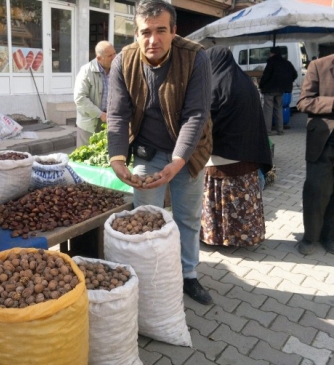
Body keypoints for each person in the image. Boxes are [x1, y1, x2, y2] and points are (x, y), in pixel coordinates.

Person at [107, 0, 213, 305]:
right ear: (136, 33)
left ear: (174, 31)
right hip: (147, 152)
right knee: (146, 219)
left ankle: (188, 276)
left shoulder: (195, 57)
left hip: (189, 154)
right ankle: (149, 276)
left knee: (187, 218)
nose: (153, 39)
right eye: (146, 32)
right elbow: (117, 114)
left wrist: (178, 161)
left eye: (161, 31)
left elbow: (196, 115)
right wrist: (117, 158)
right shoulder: (123, 61)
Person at [201, 46, 273, 247]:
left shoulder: (214, 85)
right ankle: (243, 237)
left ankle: (216, 237)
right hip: (248, 155)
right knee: (240, 204)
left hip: (221, 159)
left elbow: (208, 123)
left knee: (217, 202)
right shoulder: (246, 83)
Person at [296, 54, 334, 255]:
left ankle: (330, 236)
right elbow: (303, 102)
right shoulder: (319, 65)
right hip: (323, 141)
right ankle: (311, 237)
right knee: (316, 191)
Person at [74, 41, 116, 147]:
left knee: (105, 156)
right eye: (110, 56)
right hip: (89, 122)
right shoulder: (86, 71)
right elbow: (80, 98)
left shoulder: (117, 70)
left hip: (110, 120)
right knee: (86, 157)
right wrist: (100, 114)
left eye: (114, 53)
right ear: (99, 58)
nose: (114, 57)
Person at [259, 46, 298, 136]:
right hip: (281, 89)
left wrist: (261, 85)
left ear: (273, 53)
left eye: (270, 53)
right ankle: (280, 130)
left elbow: (266, 75)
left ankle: (267, 131)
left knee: (268, 109)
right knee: (278, 108)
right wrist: (286, 82)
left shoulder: (271, 62)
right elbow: (294, 74)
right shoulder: (286, 63)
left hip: (269, 89)